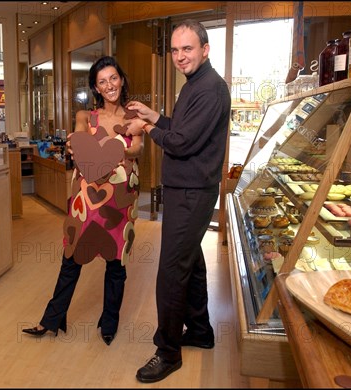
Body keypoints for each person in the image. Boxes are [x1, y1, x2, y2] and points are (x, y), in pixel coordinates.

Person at [125, 19, 231, 382]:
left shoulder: (211, 89)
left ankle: (167, 351)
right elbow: (181, 129)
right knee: (192, 264)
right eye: (174, 49)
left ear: (205, 49)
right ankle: (200, 331)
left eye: (187, 48)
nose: (180, 56)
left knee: (171, 272)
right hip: (184, 190)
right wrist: (154, 116)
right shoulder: (194, 85)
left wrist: (147, 129)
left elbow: (182, 143)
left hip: (192, 193)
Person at [22, 56, 144, 346]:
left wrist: (112, 150)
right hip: (86, 198)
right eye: (102, 81)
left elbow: (137, 148)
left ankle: (109, 322)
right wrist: (79, 147)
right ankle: (52, 319)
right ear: (96, 88)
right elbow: (76, 141)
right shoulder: (84, 117)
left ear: (122, 80)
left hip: (120, 198)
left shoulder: (133, 116)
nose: (109, 85)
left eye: (113, 78)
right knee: (72, 256)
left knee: (116, 262)